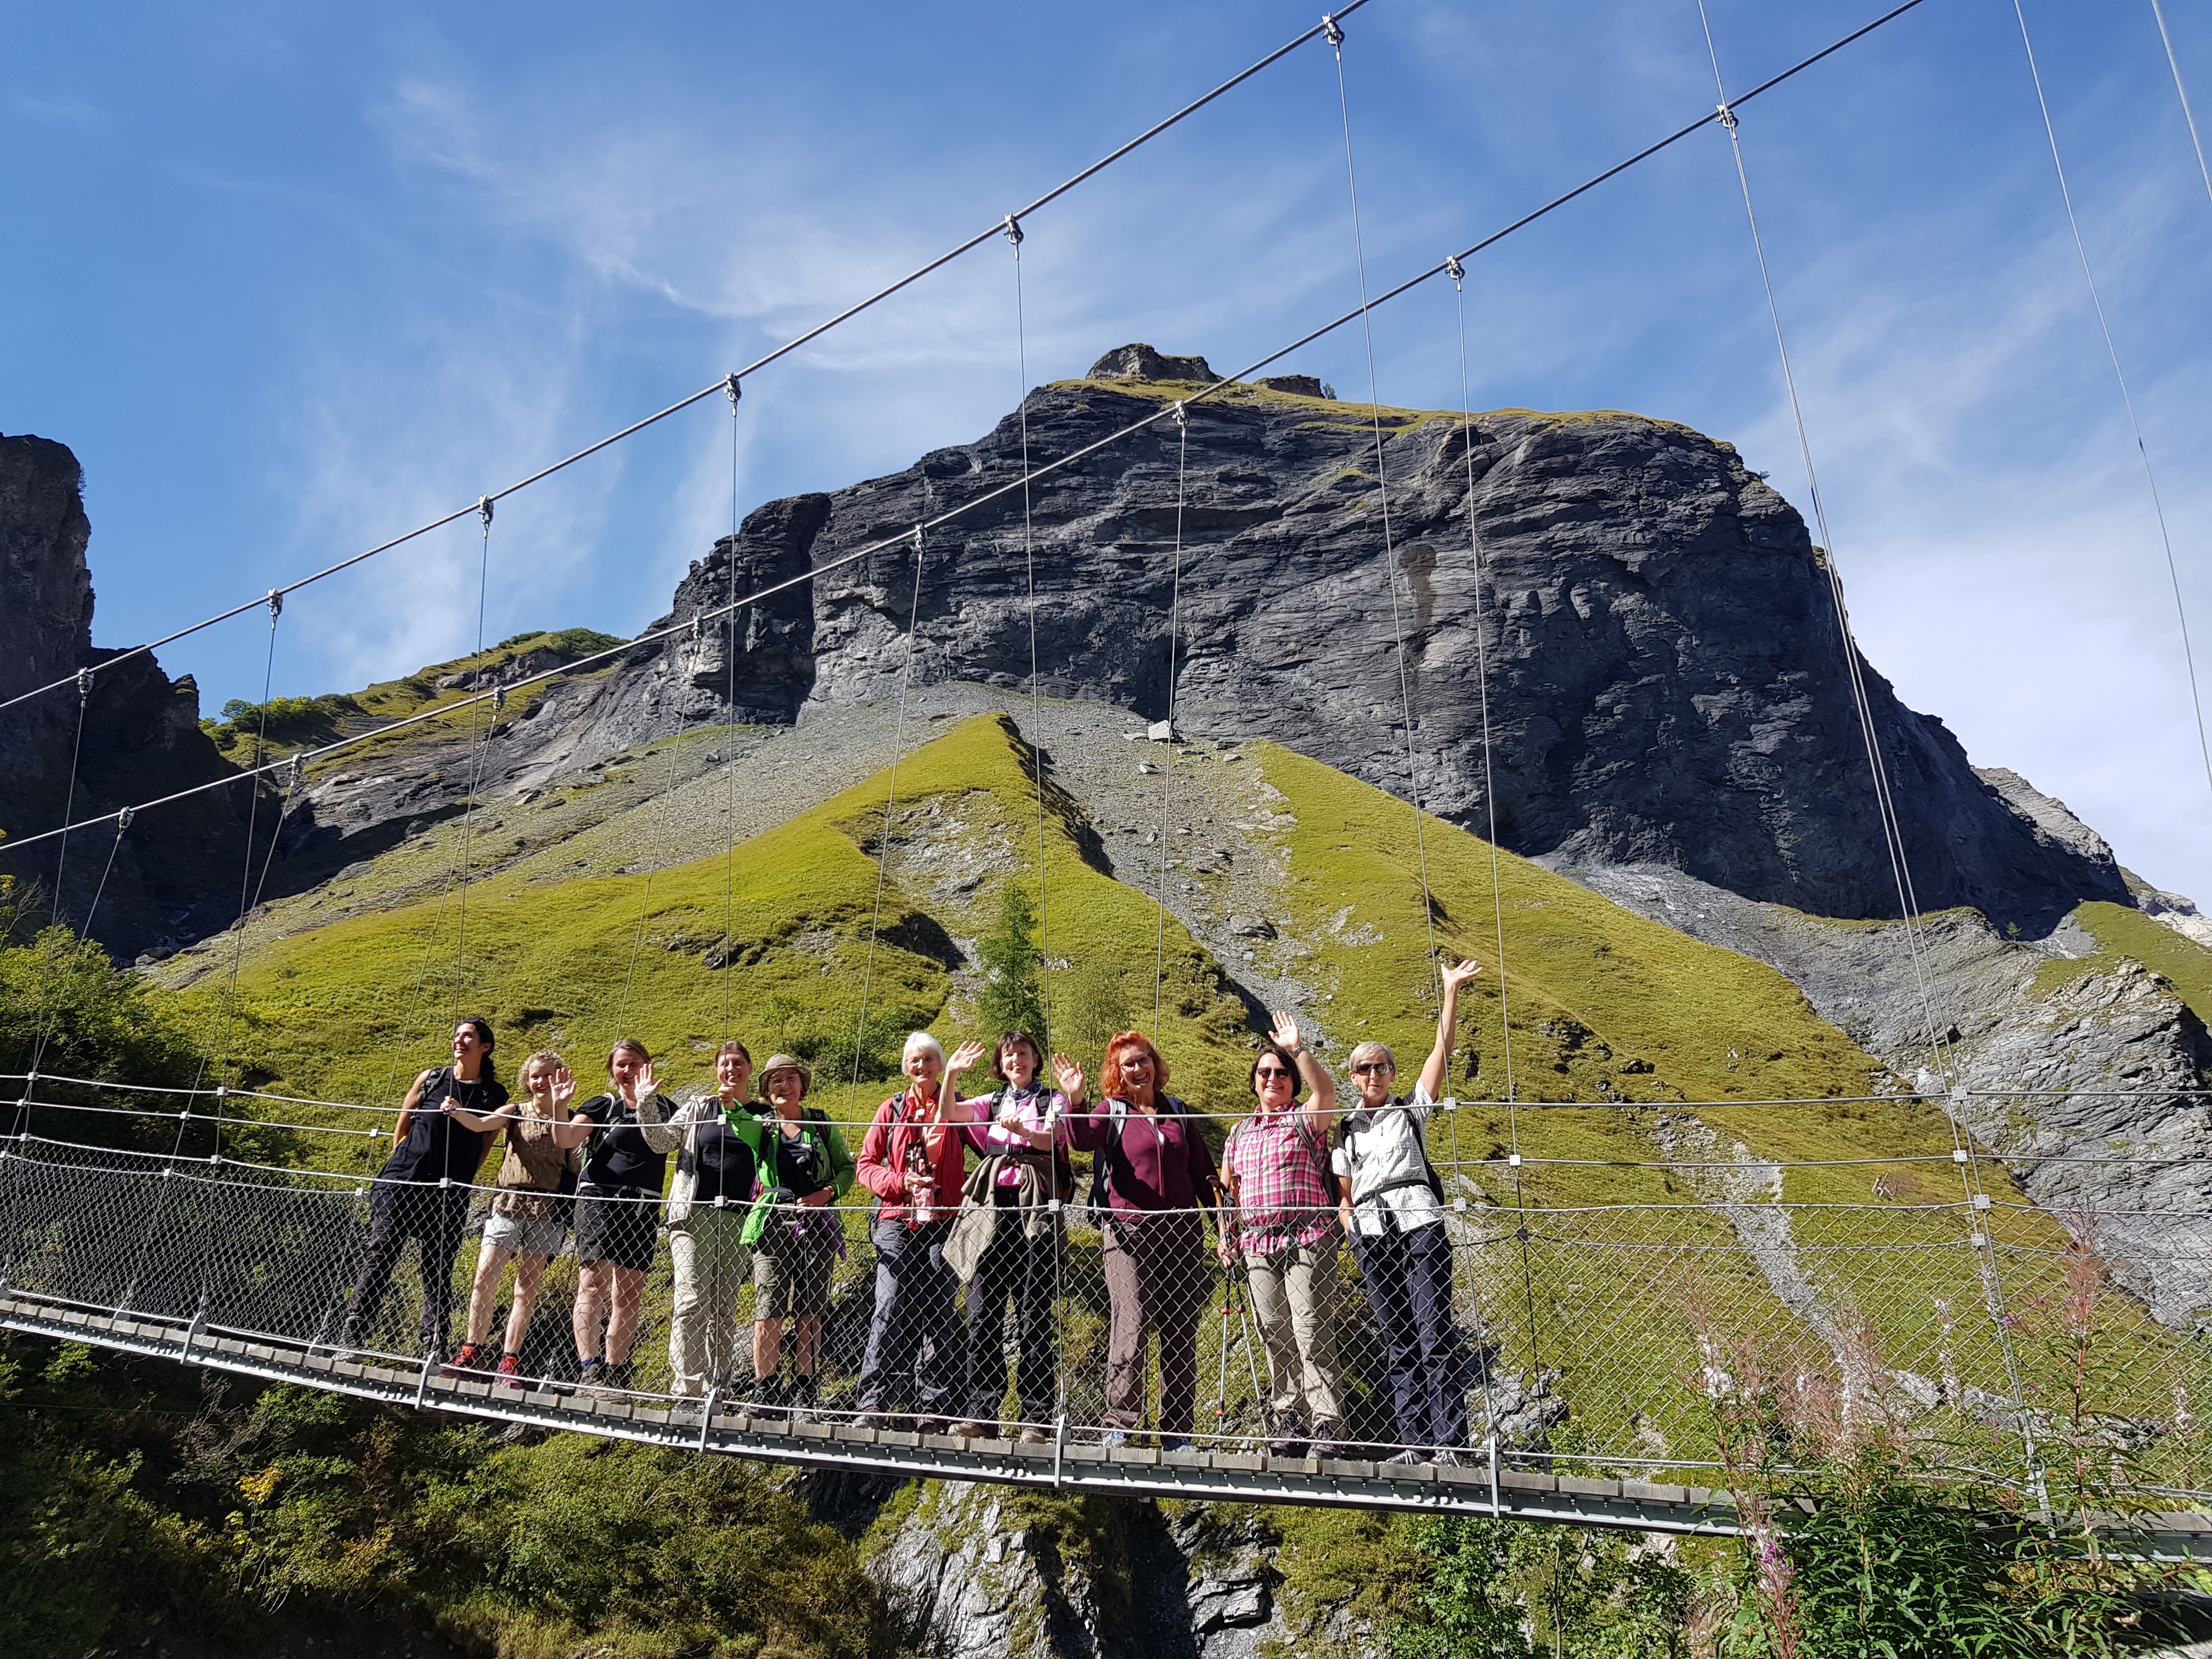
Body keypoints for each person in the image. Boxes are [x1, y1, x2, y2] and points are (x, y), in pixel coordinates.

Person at [1333, 957, 1483, 1463]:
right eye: (1364, 1067)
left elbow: (1443, 1050)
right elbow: (1344, 1196)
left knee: (1433, 1330)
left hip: (1419, 1223)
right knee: (1398, 1339)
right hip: (1372, 1231)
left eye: (1382, 1066)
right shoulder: (1346, 1130)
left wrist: (1450, 991)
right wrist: (1350, 1225)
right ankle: (1416, 1445)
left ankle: (1452, 1443)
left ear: (1393, 1073)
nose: (1373, 1073)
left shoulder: (1410, 1108)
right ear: (1353, 1077)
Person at [1066, 1030, 1227, 1451]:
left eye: (1143, 1060)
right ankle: (1119, 1423)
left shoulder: (1178, 1112)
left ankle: (1176, 1433)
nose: (1138, 1070)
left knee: (1179, 1331)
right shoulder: (1112, 1110)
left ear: (1156, 1064)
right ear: (1117, 1074)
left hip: (1182, 1234)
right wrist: (1076, 1102)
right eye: (1128, 1065)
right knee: (1131, 1325)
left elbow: (1203, 1174)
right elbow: (1081, 1140)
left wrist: (1222, 1228)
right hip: (1128, 1233)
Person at [336, 1019, 505, 1359]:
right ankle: (352, 1333)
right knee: (382, 1251)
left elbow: (487, 1140)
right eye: (457, 1036)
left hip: (449, 1188)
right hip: (404, 1179)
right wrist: (402, 1154)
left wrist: (465, 1175)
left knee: (438, 1264)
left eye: (467, 1036)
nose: (459, 1041)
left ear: (485, 1046)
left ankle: (433, 1343)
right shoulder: (432, 1078)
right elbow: (405, 1119)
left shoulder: (494, 1094)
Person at [946, 1031, 1086, 1442]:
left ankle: (1035, 1420)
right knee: (984, 1312)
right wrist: (952, 1073)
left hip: (1034, 1210)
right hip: (993, 1207)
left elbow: (1054, 1140)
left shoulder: (1051, 1101)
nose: (1016, 1061)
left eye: (1023, 1054)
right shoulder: (990, 1102)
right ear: (1000, 1063)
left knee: (1032, 1317)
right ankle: (982, 1413)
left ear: (1035, 1059)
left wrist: (1023, 1131)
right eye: (1009, 1056)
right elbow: (950, 1113)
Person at [1220, 1011, 1344, 1456]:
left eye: (1281, 1073)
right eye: (1264, 1073)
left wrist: (1298, 1050)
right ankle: (1288, 1417)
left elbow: (1327, 1091)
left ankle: (1327, 1422)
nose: (1273, 1078)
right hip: (1256, 1242)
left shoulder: (1304, 1120)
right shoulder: (1238, 1133)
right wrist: (1225, 1234)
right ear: (1254, 1082)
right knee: (1274, 1329)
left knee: (1310, 1328)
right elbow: (1228, 1191)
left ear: (1292, 1082)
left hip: (1308, 1236)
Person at [853, 1032, 983, 1430]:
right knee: (890, 1304)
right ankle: (872, 1402)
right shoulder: (890, 1109)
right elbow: (864, 1165)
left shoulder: (957, 1109)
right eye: (915, 1060)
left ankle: (933, 1408)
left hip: (944, 1221)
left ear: (941, 1066)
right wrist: (898, 1184)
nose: (922, 1066)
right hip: (896, 1218)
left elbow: (993, 1144)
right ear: (905, 1066)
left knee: (939, 1310)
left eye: (929, 1059)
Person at [438, 1049, 578, 1381]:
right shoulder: (515, 1112)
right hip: (509, 1203)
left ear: (560, 1076)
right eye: (535, 1075)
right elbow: (482, 1124)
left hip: (548, 1210)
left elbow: (574, 1166)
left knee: (527, 1287)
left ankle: (509, 1360)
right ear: (526, 1081)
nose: (541, 1081)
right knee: (485, 1274)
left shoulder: (572, 1120)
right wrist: (456, 1111)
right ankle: (471, 1349)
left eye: (548, 1074)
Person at [555, 1038, 681, 1395]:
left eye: (634, 1063)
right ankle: (589, 1367)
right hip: (599, 1200)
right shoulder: (603, 1105)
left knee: (629, 1292)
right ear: (612, 1071)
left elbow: (672, 1144)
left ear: (648, 1066)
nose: (627, 1071)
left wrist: (647, 1105)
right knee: (593, 1283)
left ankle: (615, 1370)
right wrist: (560, 1105)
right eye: (621, 1065)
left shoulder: (667, 1109)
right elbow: (566, 1139)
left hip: (642, 1207)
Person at [746, 1053, 854, 1419]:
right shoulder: (760, 1126)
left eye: (791, 1079)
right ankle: (766, 1392)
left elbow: (846, 1169)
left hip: (818, 1226)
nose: (785, 1086)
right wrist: (729, 1097)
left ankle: (805, 1395)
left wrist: (827, 1195)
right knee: (768, 1310)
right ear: (766, 1090)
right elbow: (733, 1121)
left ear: (802, 1086)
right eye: (776, 1081)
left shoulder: (821, 1124)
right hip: (772, 1224)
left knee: (811, 1312)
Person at [664, 1040, 765, 1400]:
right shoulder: (697, 1107)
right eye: (724, 1063)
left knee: (724, 1308)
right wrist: (647, 1101)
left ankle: (717, 1387)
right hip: (695, 1216)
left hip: (740, 1218)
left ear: (750, 1069)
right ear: (716, 1070)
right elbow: (660, 1141)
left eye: (738, 1062)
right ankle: (687, 1387)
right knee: (692, 1301)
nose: (731, 1069)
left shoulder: (761, 1114)